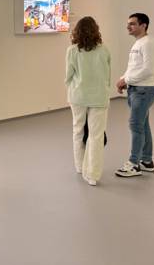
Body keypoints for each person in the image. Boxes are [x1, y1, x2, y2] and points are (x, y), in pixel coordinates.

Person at [65, 17, 111, 186]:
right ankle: (92, 174)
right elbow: (107, 75)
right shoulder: (104, 50)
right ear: (96, 30)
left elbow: (67, 76)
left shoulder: (72, 50)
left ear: (77, 31)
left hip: (77, 96)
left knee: (78, 131)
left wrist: (73, 86)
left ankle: (79, 166)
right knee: (96, 135)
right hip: (99, 97)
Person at [115, 13, 154, 177]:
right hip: (136, 89)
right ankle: (147, 161)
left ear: (144, 25)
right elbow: (134, 67)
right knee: (143, 125)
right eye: (128, 23)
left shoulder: (148, 43)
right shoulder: (139, 43)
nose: (128, 27)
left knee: (135, 126)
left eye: (132, 24)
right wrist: (123, 78)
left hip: (144, 90)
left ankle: (134, 164)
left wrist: (126, 80)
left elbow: (148, 69)